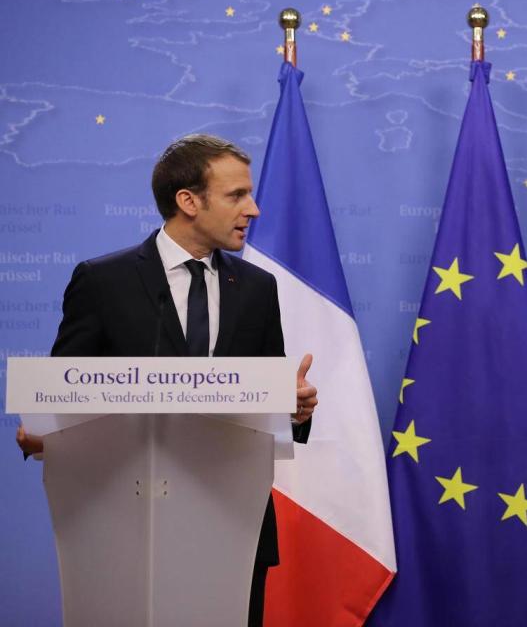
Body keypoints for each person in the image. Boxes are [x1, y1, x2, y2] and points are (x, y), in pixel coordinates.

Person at [16, 133, 319, 627]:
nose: (254, 209)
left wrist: (295, 409)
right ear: (188, 201)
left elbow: (271, 401)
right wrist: (46, 433)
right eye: (237, 195)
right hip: (129, 525)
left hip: (234, 525)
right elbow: (61, 399)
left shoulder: (257, 289)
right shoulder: (102, 281)